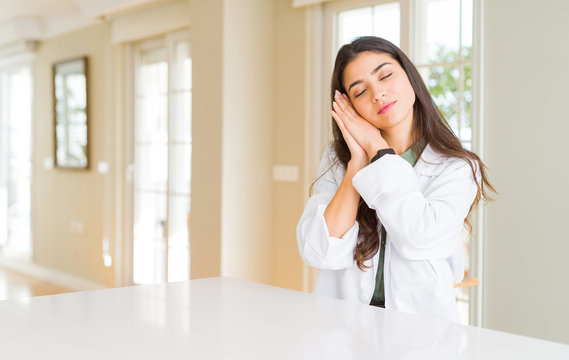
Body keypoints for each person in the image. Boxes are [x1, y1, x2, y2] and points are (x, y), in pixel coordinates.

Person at [296, 36, 495, 322]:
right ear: (350, 107)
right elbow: (320, 250)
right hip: (345, 328)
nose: (377, 93)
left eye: (385, 75)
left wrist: (377, 148)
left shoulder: (457, 166)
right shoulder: (337, 159)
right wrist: (357, 164)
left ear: (410, 76)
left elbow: (419, 237)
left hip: (421, 333)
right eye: (360, 91)